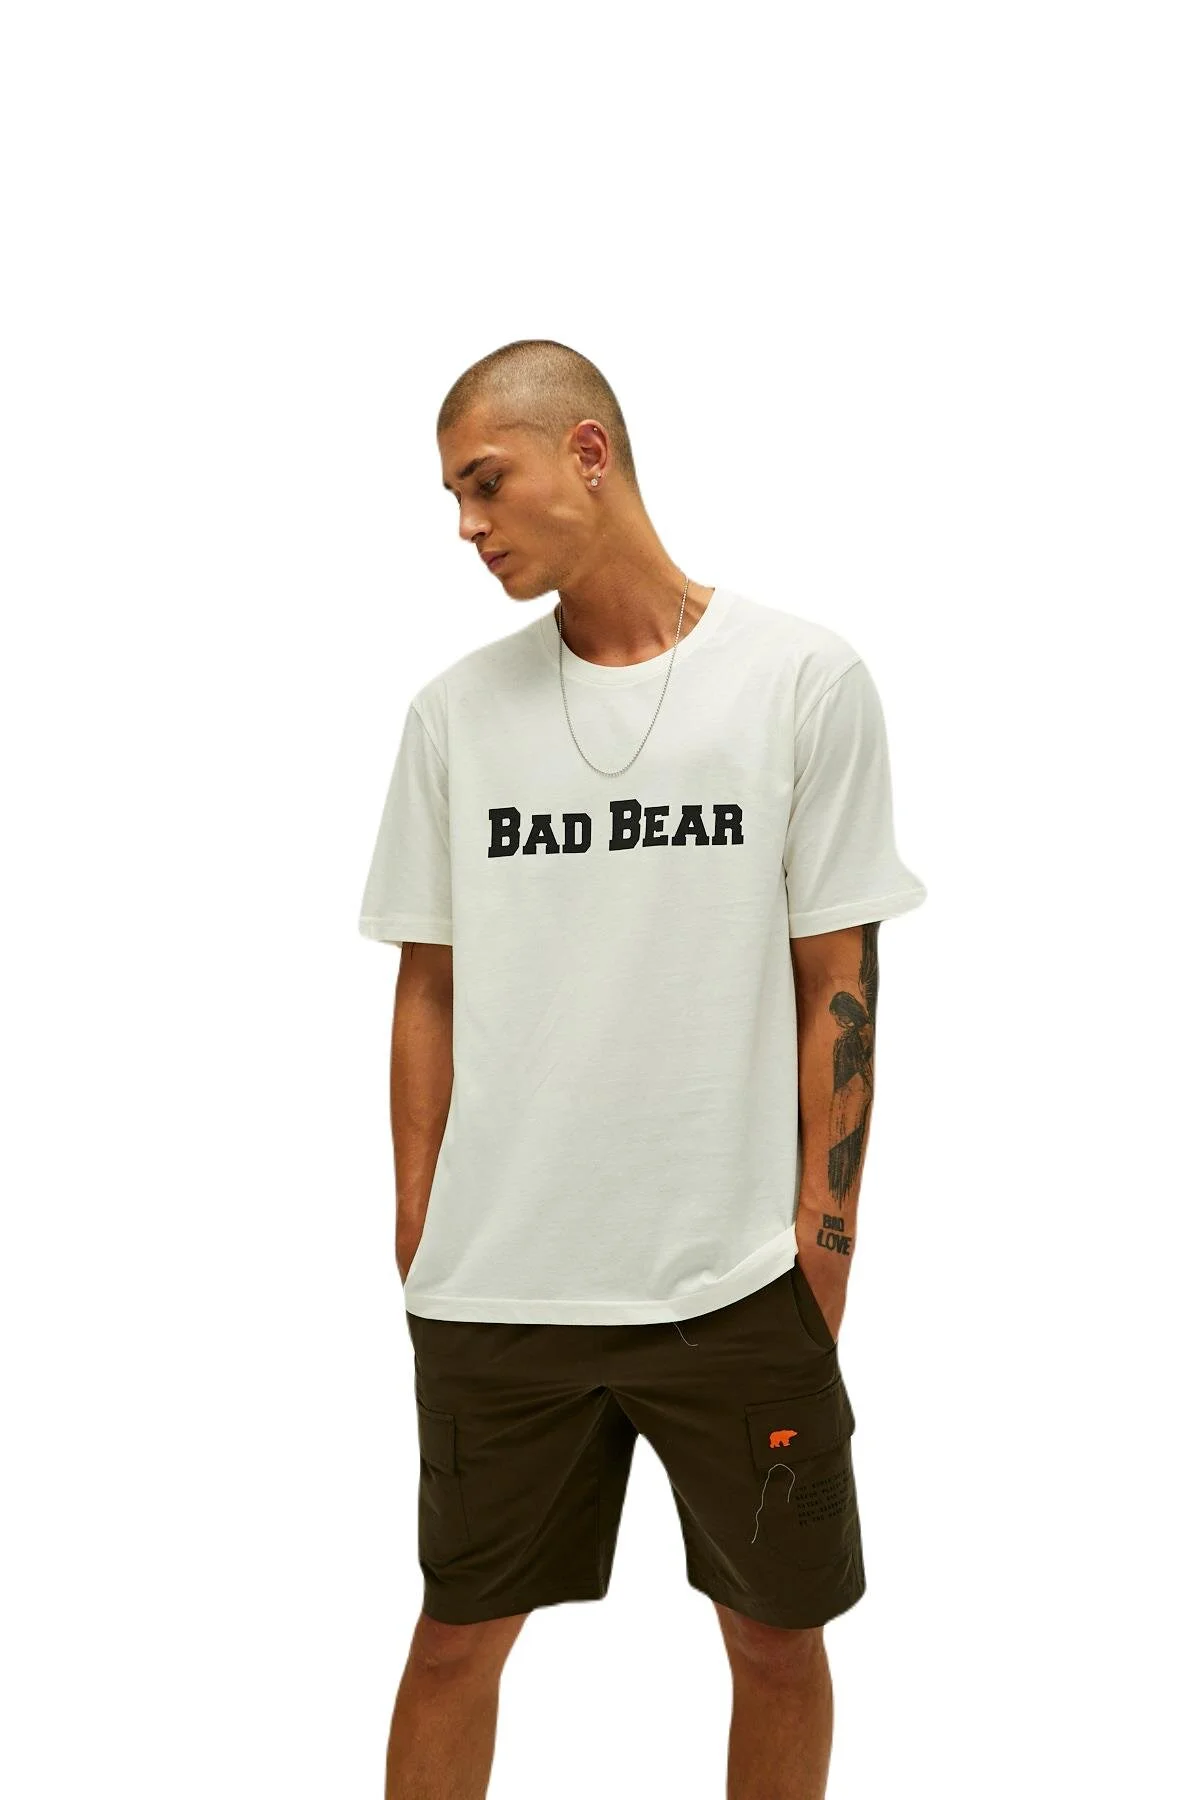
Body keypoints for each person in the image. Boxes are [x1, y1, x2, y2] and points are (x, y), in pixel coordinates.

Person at [358, 338, 927, 1799]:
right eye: (453, 497)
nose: (468, 525)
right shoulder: (452, 716)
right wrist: (419, 1213)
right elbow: (429, 985)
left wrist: (822, 1242)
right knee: (453, 1643)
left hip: (730, 1282)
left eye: (486, 483)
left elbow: (839, 980)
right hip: (499, 1284)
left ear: (589, 454)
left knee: (777, 1641)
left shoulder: (800, 681)